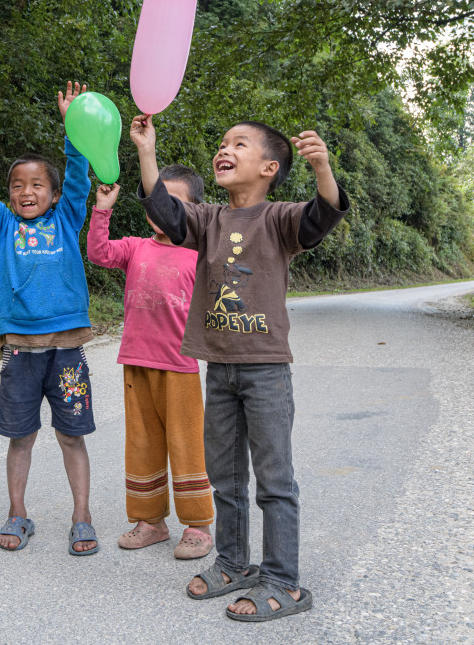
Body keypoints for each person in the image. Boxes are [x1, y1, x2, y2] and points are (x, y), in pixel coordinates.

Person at [131, 114, 349, 622]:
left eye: (240, 144)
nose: (224, 149)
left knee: (274, 480)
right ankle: (233, 562)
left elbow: (322, 217)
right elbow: (165, 212)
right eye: (223, 142)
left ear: (270, 167)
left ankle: (283, 580)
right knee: (225, 478)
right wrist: (147, 152)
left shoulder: (280, 219)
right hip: (220, 369)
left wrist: (322, 168)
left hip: (267, 369)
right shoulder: (207, 219)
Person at [0, 81, 99, 556]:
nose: (26, 191)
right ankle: (18, 513)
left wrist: (72, 127)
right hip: (21, 351)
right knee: (21, 437)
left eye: (37, 185)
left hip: (67, 351)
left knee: (71, 436)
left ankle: (82, 517)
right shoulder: (5, 226)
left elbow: (79, 174)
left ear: (54, 195)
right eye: (18, 185)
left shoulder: (68, 217)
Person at [85, 167, 215, 560]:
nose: (162, 210)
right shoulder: (137, 247)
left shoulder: (199, 256)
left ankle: (197, 525)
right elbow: (99, 253)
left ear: (194, 211)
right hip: (136, 364)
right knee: (142, 444)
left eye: (174, 203)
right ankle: (151, 522)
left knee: (187, 445)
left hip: (180, 367)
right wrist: (102, 210)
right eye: (156, 199)